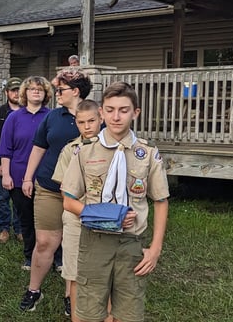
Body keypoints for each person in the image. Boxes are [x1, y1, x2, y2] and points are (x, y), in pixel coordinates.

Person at [61, 82, 169, 322]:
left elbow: (161, 200)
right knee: (89, 313)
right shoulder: (85, 151)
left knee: (128, 313)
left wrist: (155, 249)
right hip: (94, 241)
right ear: (101, 112)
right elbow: (68, 200)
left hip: (131, 243)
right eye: (110, 110)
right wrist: (109, 216)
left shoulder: (147, 153)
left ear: (135, 113)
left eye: (123, 110)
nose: (116, 117)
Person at [19, 68, 92, 313]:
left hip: (81, 192)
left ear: (76, 91)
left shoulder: (94, 116)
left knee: (75, 244)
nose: (56, 93)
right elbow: (39, 147)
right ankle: (34, 290)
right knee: (44, 242)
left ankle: (71, 296)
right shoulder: (52, 116)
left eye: (60, 90)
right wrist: (28, 177)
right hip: (49, 187)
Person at [51, 99, 102, 320]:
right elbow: (66, 191)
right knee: (73, 271)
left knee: (103, 273)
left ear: (101, 118)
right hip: (75, 216)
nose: (87, 126)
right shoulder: (70, 150)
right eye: (81, 122)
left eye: (91, 121)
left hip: (105, 219)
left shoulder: (113, 147)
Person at [0, 77, 52, 272]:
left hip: (47, 178)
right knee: (26, 219)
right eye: (32, 89)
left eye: (40, 89)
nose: (36, 92)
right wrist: (6, 174)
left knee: (48, 221)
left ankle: (54, 257)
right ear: (25, 93)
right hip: (19, 176)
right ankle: (31, 256)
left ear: (46, 94)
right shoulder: (14, 117)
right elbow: (5, 148)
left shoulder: (51, 117)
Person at [0, 77, 23, 243]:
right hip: (4, 163)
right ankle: (4, 228)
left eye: (18, 90)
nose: (16, 93)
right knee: (3, 198)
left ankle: (19, 229)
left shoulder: (27, 112)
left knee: (19, 198)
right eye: (13, 90)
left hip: (21, 164)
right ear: (6, 93)